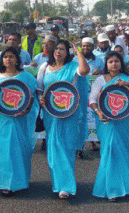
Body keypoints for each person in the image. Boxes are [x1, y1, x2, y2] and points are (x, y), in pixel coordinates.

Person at [38, 40, 90, 199]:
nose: (58, 52)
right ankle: (58, 183)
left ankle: (66, 186)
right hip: (51, 114)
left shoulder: (73, 67)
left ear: (68, 52)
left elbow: (85, 70)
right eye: (56, 49)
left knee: (67, 147)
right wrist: (40, 98)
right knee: (53, 148)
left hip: (70, 114)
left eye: (62, 49)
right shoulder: (44, 68)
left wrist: (79, 52)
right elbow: (40, 88)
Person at [89, 51, 129, 202]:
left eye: (117, 61)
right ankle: (112, 189)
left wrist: (128, 85)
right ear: (106, 64)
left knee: (122, 152)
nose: (114, 64)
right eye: (110, 61)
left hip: (124, 121)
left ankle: (124, 185)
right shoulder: (100, 80)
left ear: (121, 63)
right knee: (110, 150)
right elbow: (92, 99)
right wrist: (98, 112)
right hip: (105, 120)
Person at [0, 47, 39, 197]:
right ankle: (6, 184)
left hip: (20, 120)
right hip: (1, 120)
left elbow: (32, 97)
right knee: (5, 152)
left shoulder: (26, 76)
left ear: (17, 60)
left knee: (20, 151)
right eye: (5, 57)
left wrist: (27, 108)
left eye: (11, 57)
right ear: (1, 60)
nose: (8, 60)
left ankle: (21, 181)